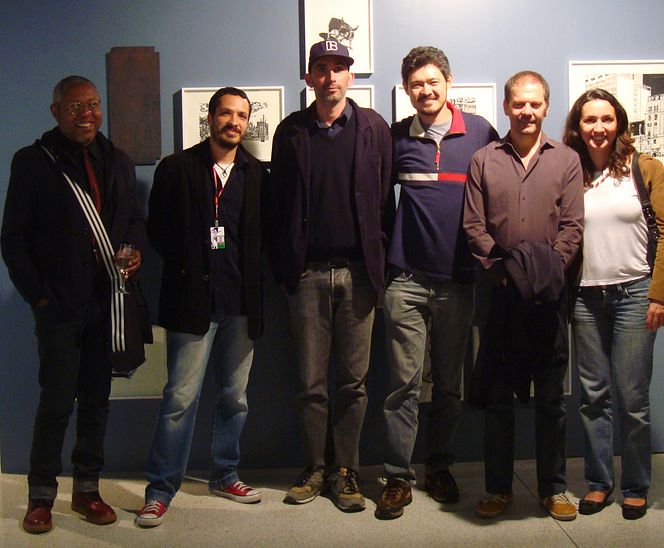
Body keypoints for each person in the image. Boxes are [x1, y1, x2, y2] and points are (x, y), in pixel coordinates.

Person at [1, 75, 146, 534]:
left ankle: (87, 491)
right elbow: (13, 238)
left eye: (94, 105)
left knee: (97, 402)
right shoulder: (33, 162)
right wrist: (40, 296)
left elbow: (134, 222)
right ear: (56, 111)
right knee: (57, 402)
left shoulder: (119, 161)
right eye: (76, 106)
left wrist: (135, 251)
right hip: (60, 309)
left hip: (108, 305)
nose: (87, 114)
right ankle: (41, 496)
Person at [269, 39, 393, 513]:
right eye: (322, 68)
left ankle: (346, 470)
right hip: (307, 276)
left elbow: (384, 202)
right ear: (309, 77)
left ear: (351, 76)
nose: (331, 77)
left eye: (339, 68)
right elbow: (279, 204)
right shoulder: (291, 131)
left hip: (359, 274)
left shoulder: (373, 128)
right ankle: (315, 466)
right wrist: (287, 269)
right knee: (310, 382)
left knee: (353, 383)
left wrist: (377, 262)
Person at [376, 46, 498, 520]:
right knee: (403, 386)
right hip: (406, 280)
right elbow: (378, 203)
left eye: (432, 82)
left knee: (449, 385)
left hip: (460, 283)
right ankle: (397, 477)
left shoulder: (481, 133)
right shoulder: (394, 138)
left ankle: (439, 466)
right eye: (415, 85)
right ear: (406, 90)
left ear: (449, 82)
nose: (424, 91)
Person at [136, 87, 267, 527]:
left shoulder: (257, 173)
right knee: (179, 399)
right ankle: (160, 489)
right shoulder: (177, 168)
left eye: (241, 115)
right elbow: (157, 231)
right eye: (226, 113)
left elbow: (265, 238)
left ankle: (224, 473)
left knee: (235, 398)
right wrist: (190, 264)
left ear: (247, 122)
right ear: (210, 118)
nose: (234, 121)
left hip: (242, 305)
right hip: (191, 303)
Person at [463, 70, 583, 521]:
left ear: (546, 107)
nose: (527, 111)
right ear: (507, 107)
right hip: (500, 298)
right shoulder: (483, 160)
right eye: (519, 104)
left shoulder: (566, 160)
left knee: (552, 398)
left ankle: (554, 489)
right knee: (498, 399)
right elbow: (475, 229)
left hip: (550, 300)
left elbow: (572, 228)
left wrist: (544, 275)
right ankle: (498, 489)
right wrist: (510, 274)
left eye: (535, 104)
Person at [562, 88, 664, 520]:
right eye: (589, 120)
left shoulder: (644, 168)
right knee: (593, 396)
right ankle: (598, 483)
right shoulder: (568, 170)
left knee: (633, 398)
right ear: (577, 126)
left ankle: (635, 485)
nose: (598, 128)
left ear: (620, 123)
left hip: (635, 293)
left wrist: (660, 295)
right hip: (584, 297)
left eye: (606, 119)